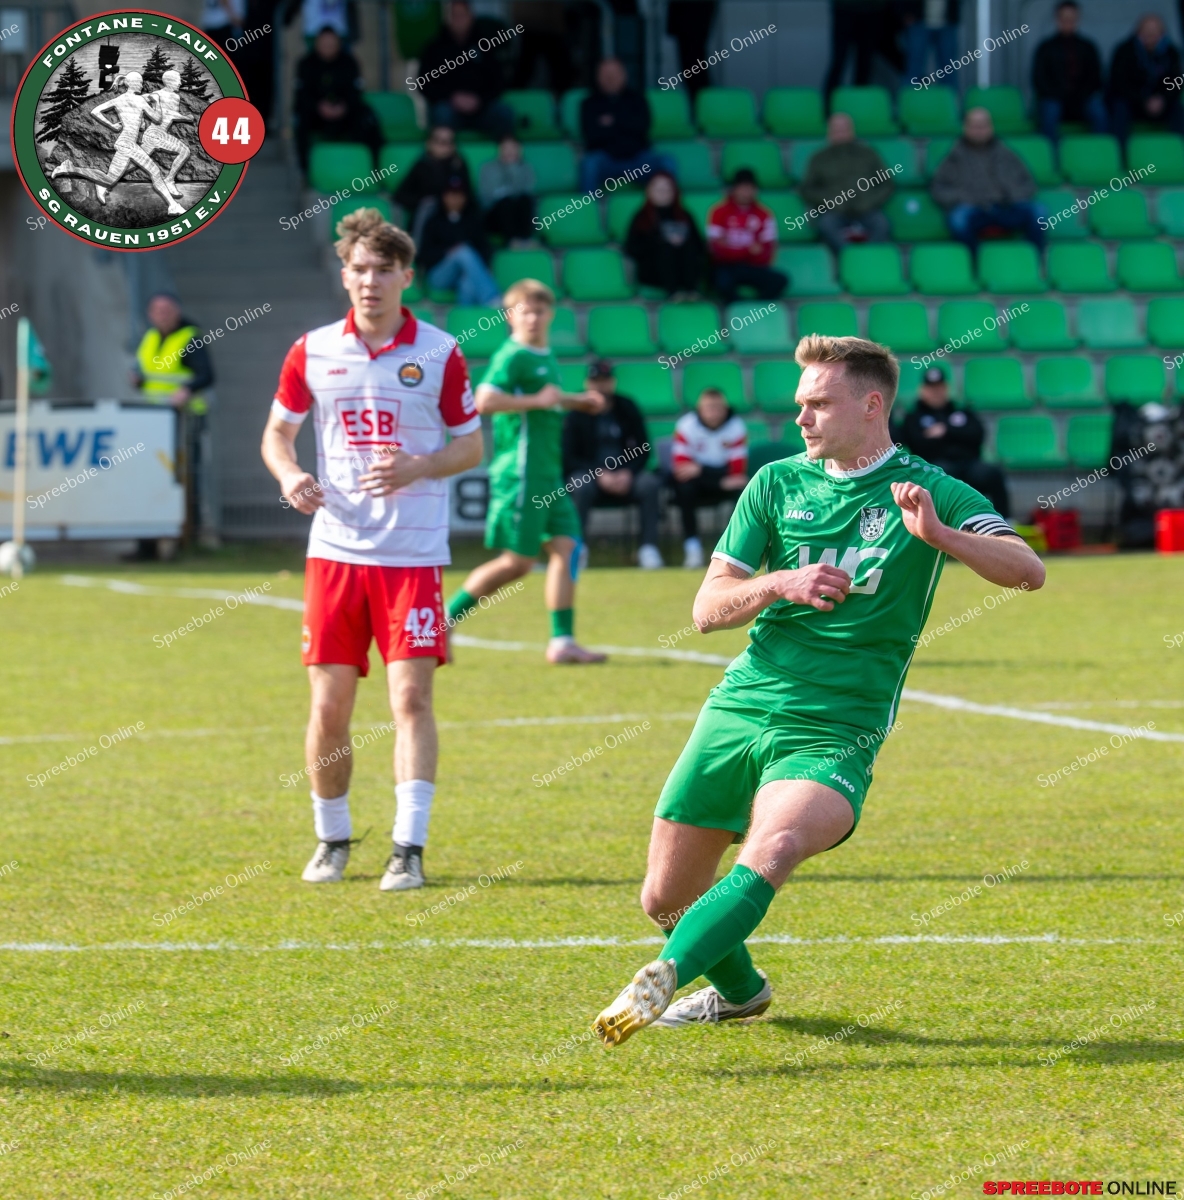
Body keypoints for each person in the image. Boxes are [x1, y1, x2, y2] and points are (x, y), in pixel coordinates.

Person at [591, 334, 1045, 1047]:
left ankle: (665, 975)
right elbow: (707, 610)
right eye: (800, 404)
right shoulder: (775, 482)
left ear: (871, 406)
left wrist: (940, 535)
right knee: (666, 897)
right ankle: (740, 993)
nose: (801, 418)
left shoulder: (930, 488)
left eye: (819, 404)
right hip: (744, 701)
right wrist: (780, 582)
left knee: (775, 845)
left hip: (840, 722)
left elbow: (1027, 569)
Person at [260, 208, 484, 893]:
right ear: (344, 274)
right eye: (359, 269)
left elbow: (472, 445)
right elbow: (277, 434)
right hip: (335, 554)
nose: (370, 282)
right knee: (329, 709)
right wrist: (290, 476)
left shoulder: (440, 352)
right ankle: (332, 838)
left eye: (384, 270)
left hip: (412, 557)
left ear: (405, 277)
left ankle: (407, 849)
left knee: (410, 700)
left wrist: (420, 465)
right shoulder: (311, 350)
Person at [446, 279, 609, 664]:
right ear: (510, 316)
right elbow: (484, 400)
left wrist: (575, 401)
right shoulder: (512, 355)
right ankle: (440, 623)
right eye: (525, 311)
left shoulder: (544, 355)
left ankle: (562, 641)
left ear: (550, 314)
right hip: (521, 475)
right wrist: (539, 399)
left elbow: (545, 400)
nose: (533, 318)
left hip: (547, 473)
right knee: (517, 563)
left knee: (568, 548)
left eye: (539, 311)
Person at [132, 291, 216, 550]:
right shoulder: (150, 337)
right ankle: (150, 541)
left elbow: (207, 375)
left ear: (177, 312)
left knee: (185, 477)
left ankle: (188, 534)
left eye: (167, 310)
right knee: (152, 477)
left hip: (185, 421)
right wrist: (138, 380)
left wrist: (186, 391)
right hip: (154, 420)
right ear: (150, 314)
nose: (162, 316)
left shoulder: (190, 337)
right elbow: (149, 374)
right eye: (157, 311)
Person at [563, 359, 663, 568]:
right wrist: (598, 473)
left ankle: (648, 548)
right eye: (595, 381)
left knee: (649, 484)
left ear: (613, 382)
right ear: (587, 383)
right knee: (579, 485)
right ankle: (579, 549)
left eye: (605, 380)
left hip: (626, 476)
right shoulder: (575, 413)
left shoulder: (627, 407)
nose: (600, 386)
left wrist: (628, 472)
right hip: (591, 476)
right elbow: (568, 457)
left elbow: (644, 449)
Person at [50, 73, 186, 216]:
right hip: (128, 144)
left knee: (109, 179)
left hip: (124, 143)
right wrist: (157, 102)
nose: (142, 85)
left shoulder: (119, 99)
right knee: (155, 171)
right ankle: (173, 205)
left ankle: (70, 168)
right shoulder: (139, 100)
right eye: (140, 83)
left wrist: (113, 125)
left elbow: (95, 111)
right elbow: (157, 118)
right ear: (134, 83)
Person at [897, 367, 1010, 517]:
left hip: (969, 463)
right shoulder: (914, 416)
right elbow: (917, 443)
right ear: (922, 390)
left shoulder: (961, 411)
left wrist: (946, 431)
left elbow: (977, 434)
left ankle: (1004, 520)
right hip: (935, 466)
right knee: (944, 475)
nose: (936, 393)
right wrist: (956, 435)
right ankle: (942, 523)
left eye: (940, 388)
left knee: (992, 473)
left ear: (946, 388)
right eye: (932, 389)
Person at [931, 108, 1043, 252]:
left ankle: (1032, 259)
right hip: (975, 209)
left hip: (1007, 207)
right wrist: (962, 197)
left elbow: (1028, 183)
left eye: (983, 126)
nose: (979, 130)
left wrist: (1013, 196)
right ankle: (975, 261)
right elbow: (938, 188)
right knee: (958, 220)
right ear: (965, 127)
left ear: (991, 127)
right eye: (974, 126)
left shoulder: (1006, 154)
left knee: (1039, 212)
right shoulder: (954, 157)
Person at [669, 388, 748, 570]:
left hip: (721, 483)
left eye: (718, 408)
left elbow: (736, 472)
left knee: (744, 491)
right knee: (684, 487)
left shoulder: (736, 427)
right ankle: (692, 546)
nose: (713, 412)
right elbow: (682, 469)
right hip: (701, 485)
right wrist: (718, 479)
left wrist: (700, 469)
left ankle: (735, 548)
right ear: (700, 409)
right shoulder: (686, 426)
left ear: (725, 409)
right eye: (709, 408)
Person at [293, 26, 382, 176]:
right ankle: (305, 171)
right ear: (317, 44)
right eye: (324, 44)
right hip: (316, 115)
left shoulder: (349, 62)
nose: (328, 48)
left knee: (367, 117)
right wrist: (319, 107)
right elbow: (301, 95)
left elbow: (356, 91)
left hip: (345, 113)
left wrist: (343, 107)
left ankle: (370, 167)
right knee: (300, 119)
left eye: (332, 45)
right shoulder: (306, 63)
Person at [800, 112, 894, 254]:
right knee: (826, 224)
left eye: (844, 129)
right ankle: (849, 256)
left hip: (867, 210)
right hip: (835, 211)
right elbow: (807, 189)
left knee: (882, 224)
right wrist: (830, 200)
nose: (840, 133)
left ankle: (869, 256)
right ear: (829, 132)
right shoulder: (819, 158)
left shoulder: (868, 154)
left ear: (852, 131)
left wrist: (869, 201)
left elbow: (887, 184)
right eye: (836, 130)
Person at [419, 0, 514, 139]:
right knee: (442, 113)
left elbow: (498, 82)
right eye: (454, 15)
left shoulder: (485, 46)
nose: (459, 20)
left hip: (482, 109)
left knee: (504, 113)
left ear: (471, 17)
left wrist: (479, 100)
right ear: (447, 19)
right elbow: (423, 83)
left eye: (462, 15)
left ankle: (507, 152)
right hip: (449, 108)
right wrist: (451, 97)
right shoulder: (434, 48)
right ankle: (443, 153)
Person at [579, 58, 673, 193]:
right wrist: (626, 122)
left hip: (638, 162)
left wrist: (612, 122)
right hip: (606, 162)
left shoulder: (637, 99)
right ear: (597, 77)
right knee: (589, 164)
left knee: (667, 162)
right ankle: (588, 206)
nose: (610, 79)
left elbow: (642, 127)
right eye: (606, 75)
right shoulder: (589, 104)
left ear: (624, 75)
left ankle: (667, 206)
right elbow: (592, 135)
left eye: (614, 74)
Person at [706, 168, 788, 305]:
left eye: (750, 188)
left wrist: (730, 247)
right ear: (734, 189)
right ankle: (738, 308)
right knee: (720, 282)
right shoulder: (718, 212)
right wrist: (748, 250)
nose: (746, 192)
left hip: (753, 267)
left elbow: (766, 253)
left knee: (780, 281)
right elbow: (716, 250)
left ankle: (756, 308)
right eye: (742, 188)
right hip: (726, 267)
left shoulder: (764, 214)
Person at [417, 178, 501, 306]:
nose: (455, 199)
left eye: (459, 196)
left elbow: (485, 249)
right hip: (439, 276)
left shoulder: (472, 220)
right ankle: (492, 297)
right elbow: (424, 255)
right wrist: (448, 253)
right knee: (463, 251)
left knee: (467, 282)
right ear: (444, 197)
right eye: (451, 195)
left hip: (465, 273)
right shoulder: (434, 221)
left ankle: (465, 317)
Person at [1032, 1, 1107, 140]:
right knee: (1049, 111)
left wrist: (1080, 96)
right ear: (1057, 19)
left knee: (1099, 111)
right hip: (1054, 98)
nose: (1068, 22)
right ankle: (1051, 152)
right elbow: (1039, 79)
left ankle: (1100, 151)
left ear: (1077, 19)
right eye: (1064, 18)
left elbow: (1096, 77)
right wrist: (1058, 94)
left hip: (1083, 99)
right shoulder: (1046, 48)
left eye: (1072, 18)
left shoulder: (1088, 47)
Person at [624, 171, 705, 299]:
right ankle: (673, 292)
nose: (663, 193)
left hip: (683, 270)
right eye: (658, 190)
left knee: (689, 247)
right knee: (665, 248)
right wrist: (659, 241)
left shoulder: (684, 216)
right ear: (649, 192)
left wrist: (681, 242)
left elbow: (700, 246)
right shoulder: (641, 218)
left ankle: (692, 290)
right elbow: (631, 248)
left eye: (667, 190)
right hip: (653, 273)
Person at [1107, 13, 1184, 142]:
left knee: (1178, 109)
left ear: (1162, 33)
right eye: (1147, 31)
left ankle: (1180, 149)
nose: (1151, 35)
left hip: (1161, 102)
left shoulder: (1171, 52)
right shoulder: (1124, 51)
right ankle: (1120, 150)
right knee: (1119, 108)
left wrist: (1162, 99)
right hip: (1133, 101)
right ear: (1138, 32)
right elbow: (1119, 83)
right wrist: (1143, 100)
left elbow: (1177, 81)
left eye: (1154, 32)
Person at [394, 125, 474, 244]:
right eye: (439, 141)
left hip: (455, 218)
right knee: (428, 205)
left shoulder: (459, 166)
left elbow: (468, 196)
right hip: (428, 218)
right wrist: (423, 201)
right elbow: (401, 195)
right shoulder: (422, 166)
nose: (443, 146)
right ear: (429, 144)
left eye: (448, 142)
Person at [479, 135, 537, 245]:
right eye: (506, 148)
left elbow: (526, 190)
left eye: (513, 148)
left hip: (517, 212)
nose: (509, 151)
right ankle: (512, 241)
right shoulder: (488, 168)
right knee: (506, 203)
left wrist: (513, 167)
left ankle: (526, 239)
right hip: (495, 215)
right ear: (499, 149)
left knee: (526, 200)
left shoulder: (526, 168)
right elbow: (487, 196)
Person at [665, 0, 718, 95]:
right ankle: (701, 98)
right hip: (687, 8)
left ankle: (702, 98)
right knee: (690, 59)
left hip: (693, 8)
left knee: (692, 58)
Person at [903, 0, 960, 88]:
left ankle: (950, 95)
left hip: (947, 23)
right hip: (918, 21)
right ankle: (908, 95)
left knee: (948, 67)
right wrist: (906, 12)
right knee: (914, 65)